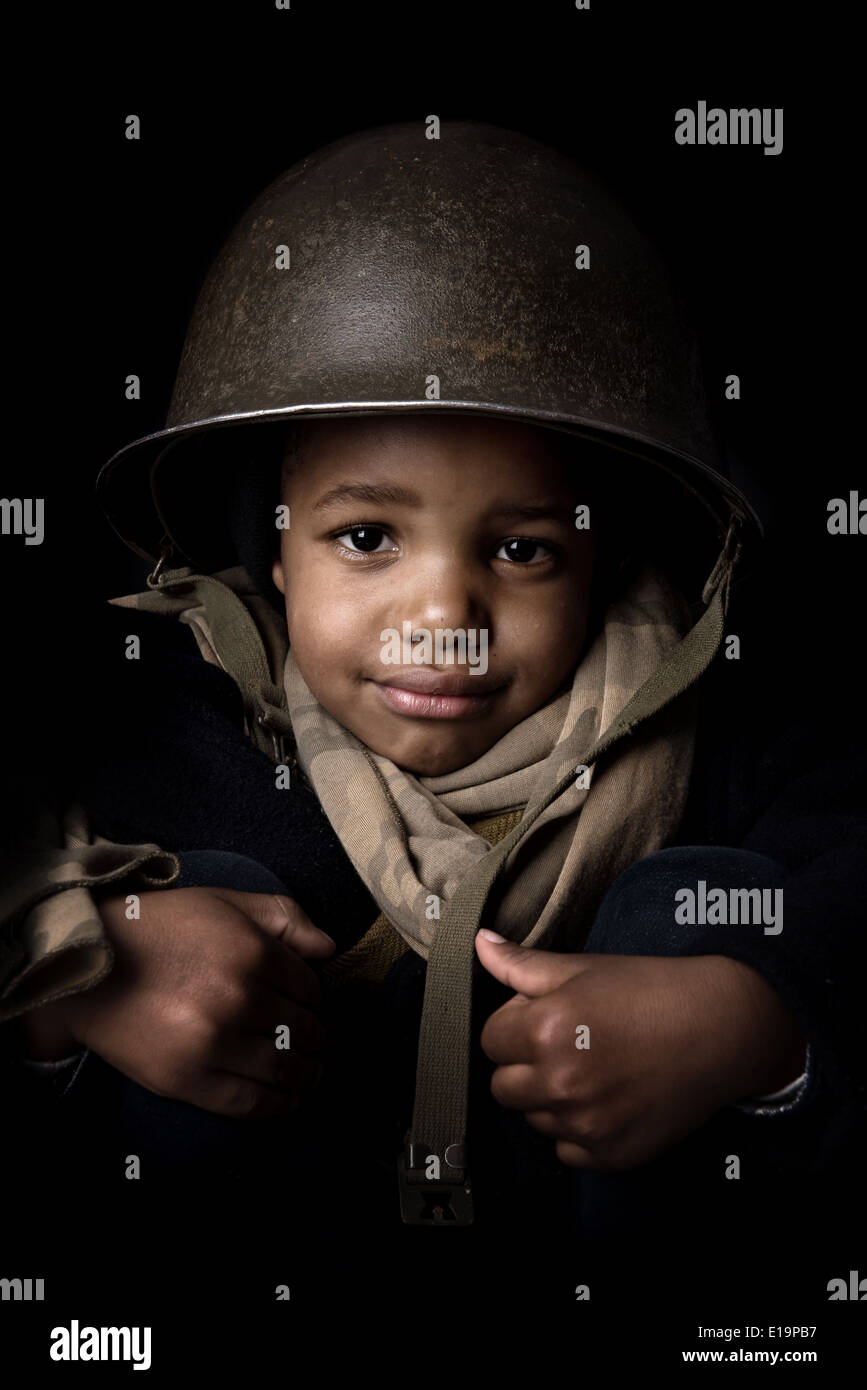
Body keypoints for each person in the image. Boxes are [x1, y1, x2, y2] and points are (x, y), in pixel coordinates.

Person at [0, 124, 862, 1286]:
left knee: (699, 914)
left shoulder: (731, 738)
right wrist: (82, 969)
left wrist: (759, 1026)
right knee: (187, 909)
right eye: (366, 538)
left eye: (521, 549)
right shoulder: (152, 730)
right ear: (273, 555)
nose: (445, 613)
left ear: (603, 565)